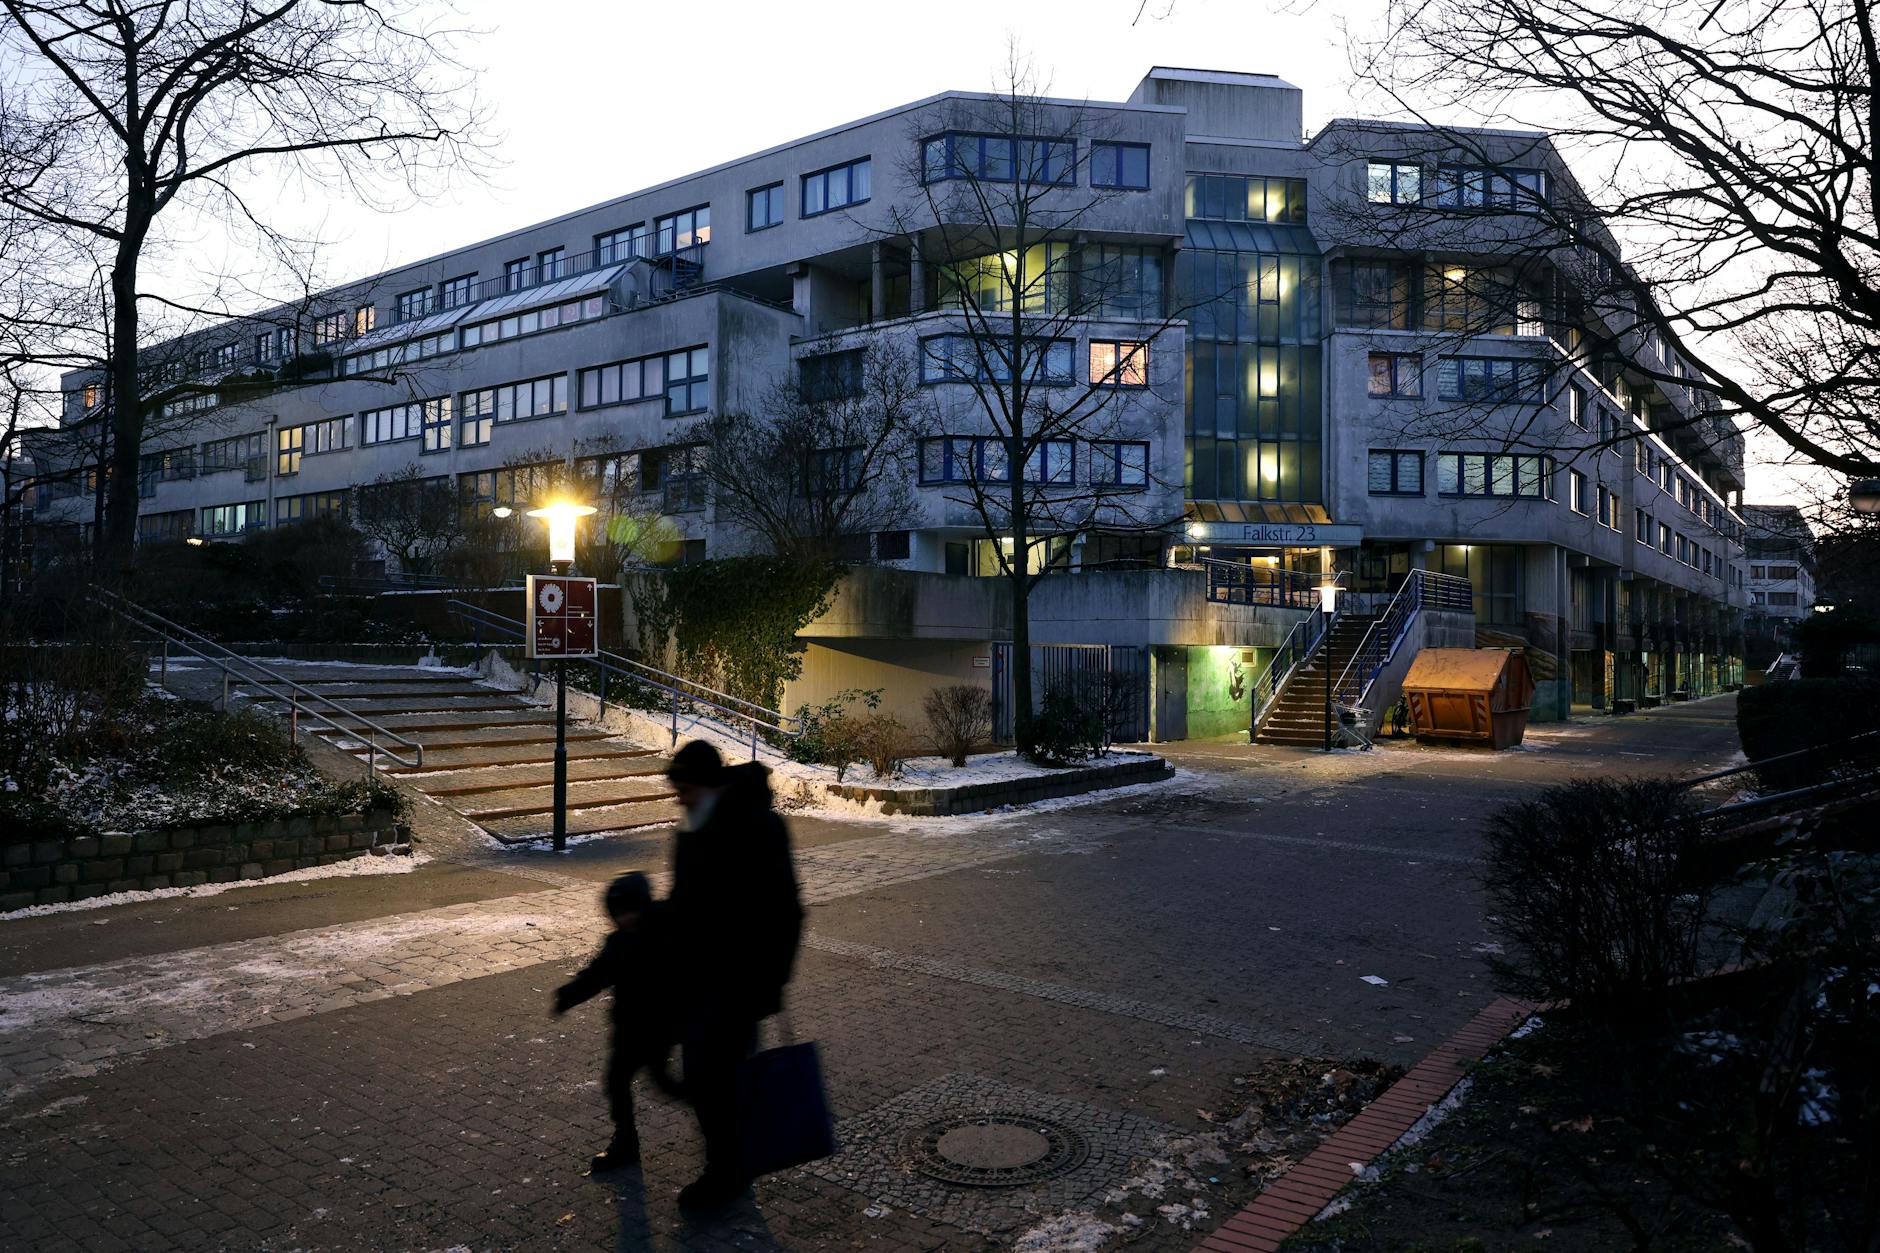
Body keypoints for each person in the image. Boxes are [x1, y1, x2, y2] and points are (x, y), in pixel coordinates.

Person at [663, 739, 804, 1213]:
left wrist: (770, 984)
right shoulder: (691, 828)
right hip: (697, 985)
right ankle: (728, 1165)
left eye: (683, 788)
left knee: (715, 1082)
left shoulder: (759, 827)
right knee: (708, 1081)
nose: (678, 799)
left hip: (739, 988)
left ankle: (728, 1173)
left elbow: (788, 911)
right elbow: (685, 904)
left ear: (706, 784)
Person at [553, 871, 676, 1173]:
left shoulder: (667, 932)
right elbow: (597, 975)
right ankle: (625, 1144)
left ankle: (728, 1124)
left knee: (668, 1084)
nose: (625, 920)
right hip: (629, 1030)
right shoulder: (619, 944)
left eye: (631, 912)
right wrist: (568, 995)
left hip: (661, 1028)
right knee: (617, 1081)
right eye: (619, 914)